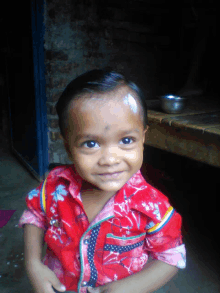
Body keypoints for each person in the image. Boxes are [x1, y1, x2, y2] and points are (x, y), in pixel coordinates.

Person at [19, 69, 186, 293]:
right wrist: (33, 264)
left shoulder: (152, 206)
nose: (109, 159)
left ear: (143, 138)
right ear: (68, 146)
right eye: (90, 144)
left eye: (127, 140)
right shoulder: (55, 186)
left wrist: (130, 288)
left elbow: (172, 256)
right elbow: (35, 214)